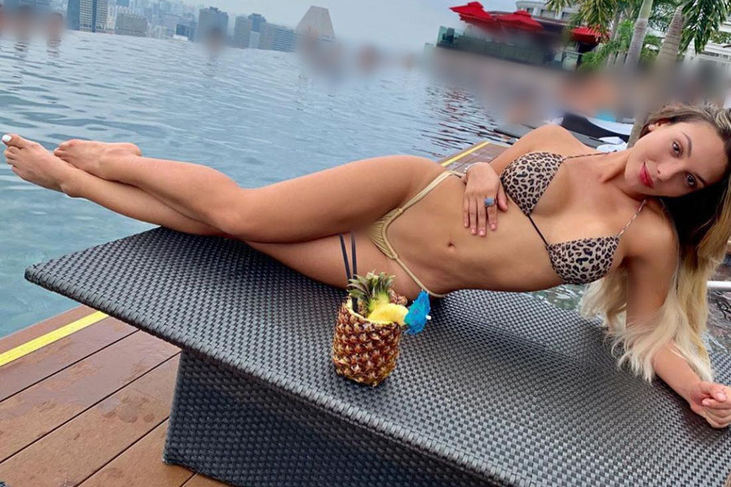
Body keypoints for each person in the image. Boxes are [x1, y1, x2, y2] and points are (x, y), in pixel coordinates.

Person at [3, 102, 731, 428]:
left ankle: (84, 179)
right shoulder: (555, 139)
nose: (668, 173)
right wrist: (483, 169)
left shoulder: (649, 238)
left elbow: (646, 332)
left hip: (395, 273)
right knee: (241, 214)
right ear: (659, 125)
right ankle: (102, 165)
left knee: (228, 233)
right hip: (405, 189)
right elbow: (485, 170)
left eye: (689, 179)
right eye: (675, 149)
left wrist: (698, 389)